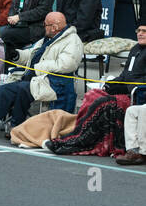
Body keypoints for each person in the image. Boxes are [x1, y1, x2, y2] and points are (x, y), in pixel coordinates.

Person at [0, 11, 83, 135]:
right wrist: (15, 54)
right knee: (5, 89)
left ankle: (16, 127)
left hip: (54, 82)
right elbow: (31, 54)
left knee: (22, 88)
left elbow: (67, 64)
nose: (43, 27)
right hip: (36, 79)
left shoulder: (72, 40)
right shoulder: (48, 38)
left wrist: (36, 68)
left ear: (54, 27)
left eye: (45, 25)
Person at [45, 22, 146, 156]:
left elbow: (140, 81)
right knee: (92, 95)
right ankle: (75, 136)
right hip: (124, 89)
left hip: (137, 95)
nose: (140, 33)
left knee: (103, 102)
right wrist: (110, 83)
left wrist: (119, 87)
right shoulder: (135, 49)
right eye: (138, 30)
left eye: (144, 31)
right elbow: (124, 75)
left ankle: (78, 142)